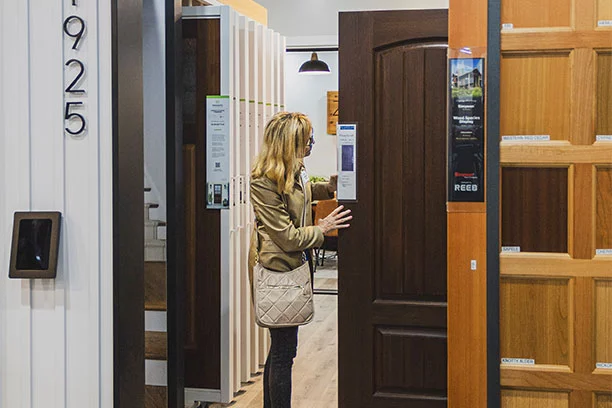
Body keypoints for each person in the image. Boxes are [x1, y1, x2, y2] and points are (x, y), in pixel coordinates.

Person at [248, 111, 351, 408]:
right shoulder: (262, 181)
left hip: (293, 267)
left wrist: (327, 188)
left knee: (280, 348)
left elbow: (301, 197)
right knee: (284, 351)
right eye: (308, 140)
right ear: (289, 143)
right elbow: (286, 237)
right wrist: (322, 229)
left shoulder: (295, 170)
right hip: (277, 268)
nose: (312, 145)